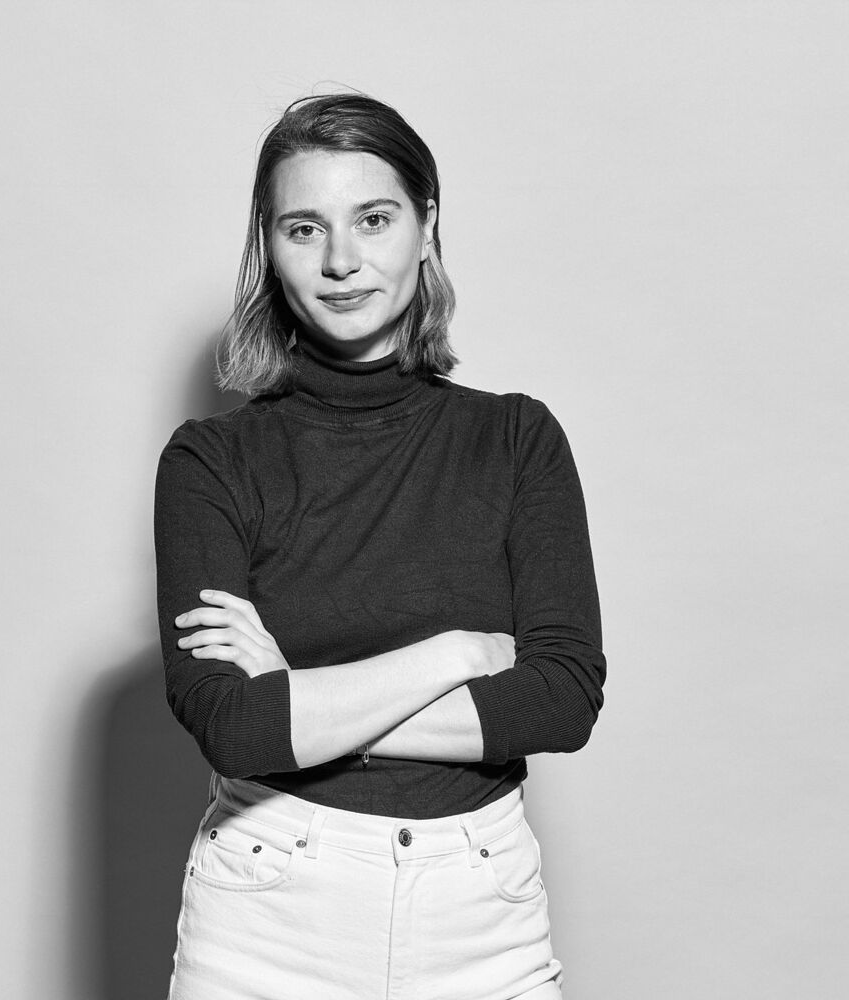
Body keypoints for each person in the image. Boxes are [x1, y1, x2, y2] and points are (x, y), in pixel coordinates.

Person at [154, 92, 605, 1000]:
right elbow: (235, 729)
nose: (341, 261)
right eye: (304, 228)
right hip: (267, 913)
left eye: (373, 219)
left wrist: (301, 698)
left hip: (482, 913)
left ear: (426, 225)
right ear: (268, 246)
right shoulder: (211, 460)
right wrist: (458, 655)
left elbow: (561, 701)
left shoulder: (516, 440)